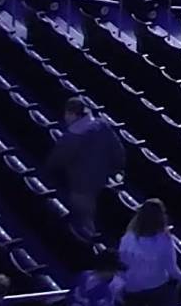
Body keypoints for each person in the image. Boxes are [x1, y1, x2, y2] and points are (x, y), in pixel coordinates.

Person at [43, 98, 127, 242]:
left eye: (68, 114)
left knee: (83, 221)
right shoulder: (102, 124)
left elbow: (56, 161)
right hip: (103, 179)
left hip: (82, 185)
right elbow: (118, 150)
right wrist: (117, 169)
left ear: (75, 115)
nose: (65, 117)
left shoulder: (71, 137)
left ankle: (88, 245)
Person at [117, 199, 178, 306]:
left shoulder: (127, 239)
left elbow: (121, 266)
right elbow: (172, 269)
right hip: (156, 287)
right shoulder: (164, 239)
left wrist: (120, 288)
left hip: (132, 288)